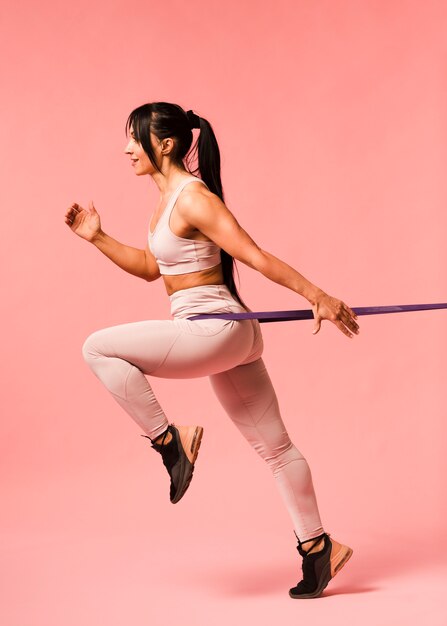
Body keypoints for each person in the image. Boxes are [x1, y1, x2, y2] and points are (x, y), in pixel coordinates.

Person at [64, 101, 359, 599]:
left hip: (213, 327)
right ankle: (318, 549)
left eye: (135, 138)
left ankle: (170, 440)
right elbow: (152, 269)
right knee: (277, 449)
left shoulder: (193, 198)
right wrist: (98, 238)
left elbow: (255, 254)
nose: (126, 148)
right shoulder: (166, 202)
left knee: (97, 348)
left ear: (166, 143)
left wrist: (318, 297)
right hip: (228, 333)